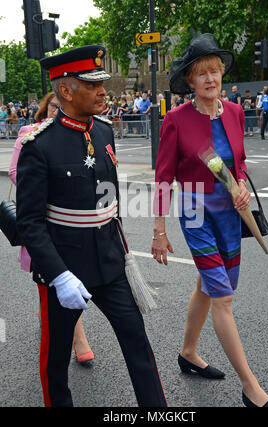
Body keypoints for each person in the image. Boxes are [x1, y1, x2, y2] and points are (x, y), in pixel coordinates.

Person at [16, 45, 167, 408]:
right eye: (92, 85)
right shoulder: (38, 145)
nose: (103, 91)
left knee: (138, 345)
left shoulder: (102, 132)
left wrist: (122, 254)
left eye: (102, 84)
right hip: (65, 270)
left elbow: (108, 202)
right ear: (66, 92)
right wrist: (59, 276)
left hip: (110, 264)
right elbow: (30, 223)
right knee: (55, 364)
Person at [152, 33, 268, 408]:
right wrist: (159, 231)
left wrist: (240, 183)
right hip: (195, 211)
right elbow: (162, 178)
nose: (210, 79)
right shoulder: (176, 119)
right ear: (190, 81)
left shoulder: (237, 112)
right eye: (201, 73)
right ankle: (250, 387)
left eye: (215, 71)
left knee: (210, 286)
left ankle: (188, 352)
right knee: (222, 295)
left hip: (230, 213)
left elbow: (238, 162)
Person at [9, 92, 94, 363]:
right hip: (40, 217)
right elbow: (15, 172)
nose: (58, 113)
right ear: (45, 110)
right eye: (54, 107)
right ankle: (78, 338)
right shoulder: (29, 133)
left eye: (62, 108)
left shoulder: (77, 134)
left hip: (71, 223)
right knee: (50, 273)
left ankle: (49, 314)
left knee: (69, 277)